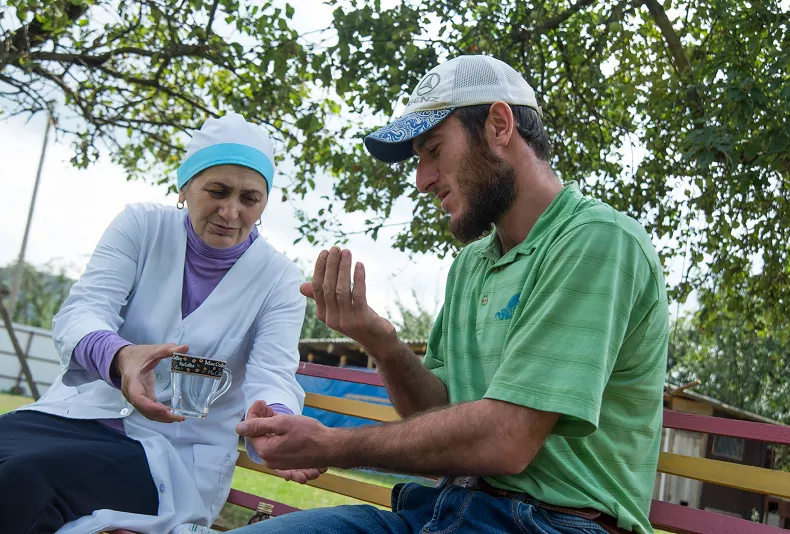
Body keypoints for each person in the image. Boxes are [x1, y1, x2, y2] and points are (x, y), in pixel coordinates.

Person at [231, 55, 669, 534]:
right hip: (445, 513)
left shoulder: (597, 240)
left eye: (434, 150)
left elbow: (506, 441)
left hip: (554, 524)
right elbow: (434, 416)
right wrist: (382, 343)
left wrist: (331, 445)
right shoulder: (471, 265)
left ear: (499, 126)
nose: (421, 180)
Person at [0, 113, 322, 534]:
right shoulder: (141, 226)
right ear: (184, 186)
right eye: (217, 191)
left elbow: (273, 374)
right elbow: (83, 310)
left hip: (170, 456)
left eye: (250, 199)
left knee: (20, 481)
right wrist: (120, 356)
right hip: (74, 416)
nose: (231, 212)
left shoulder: (279, 280)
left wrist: (274, 420)